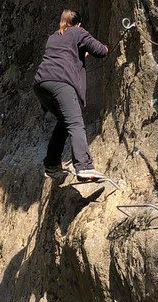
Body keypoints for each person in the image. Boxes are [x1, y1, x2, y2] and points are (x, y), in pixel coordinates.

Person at [33, 9, 108, 182]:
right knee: (75, 123)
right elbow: (100, 51)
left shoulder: (54, 36)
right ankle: (84, 167)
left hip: (41, 85)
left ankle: (52, 164)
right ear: (78, 23)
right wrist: (105, 47)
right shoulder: (78, 31)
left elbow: (64, 54)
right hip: (61, 83)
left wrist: (80, 53)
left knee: (64, 122)